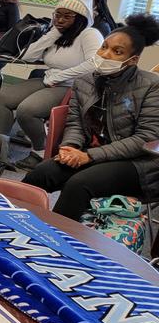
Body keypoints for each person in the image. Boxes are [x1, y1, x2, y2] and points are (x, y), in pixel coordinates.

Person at [23, 13, 159, 220]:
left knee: (79, 184)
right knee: (41, 173)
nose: (105, 54)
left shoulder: (151, 86)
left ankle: (57, 241)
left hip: (136, 163)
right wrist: (70, 148)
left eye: (117, 52)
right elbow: (75, 122)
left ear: (133, 60)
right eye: (104, 46)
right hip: (91, 153)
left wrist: (90, 156)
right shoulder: (84, 81)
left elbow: (145, 139)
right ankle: (12, 225)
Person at [0, 0, 103, 170]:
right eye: (57, 14)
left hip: (73, 85)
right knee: (3, 98)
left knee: (27, 110)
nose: (60, 19)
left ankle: (40, 152)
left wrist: (60, 76)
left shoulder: (89, 34)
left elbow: (95, 64)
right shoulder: (58, 33)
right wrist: (52, 35)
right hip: (49, 80)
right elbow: (26, 57)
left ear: (81, 18)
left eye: (67, 16)